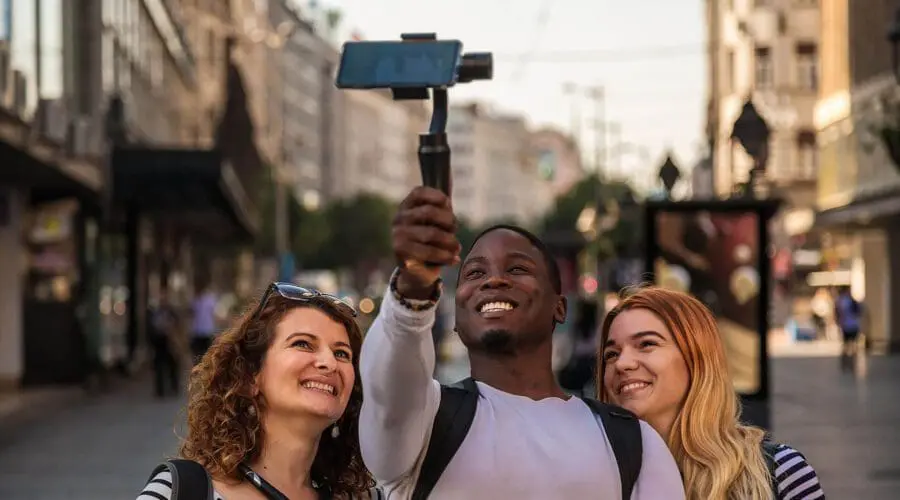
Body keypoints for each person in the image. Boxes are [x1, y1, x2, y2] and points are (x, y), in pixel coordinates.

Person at [359, 186, 684, 499]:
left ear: (559, 307)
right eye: (473, 274)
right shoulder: (424, 422)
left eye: (517, 269)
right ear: (456, 318)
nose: (493, 280)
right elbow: (389, 382)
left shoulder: (634, 444)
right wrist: (413, 282)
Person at [137, 282, 379, 499]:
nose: (329, 362)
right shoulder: (181, 492)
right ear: (251, 376)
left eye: (341, 353)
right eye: (303, 344)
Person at [599, 286, 825, 500]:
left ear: (696, 359)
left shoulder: (781, 472)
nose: (622, 364)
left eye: (646, 344)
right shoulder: (593, 476)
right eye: (611, 354)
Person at [147, 288, 180, 398]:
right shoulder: (155, 313)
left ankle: (174, 387)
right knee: (159, 367)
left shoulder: (172, 312)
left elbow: (178, 326)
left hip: (171, 343)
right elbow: (151, 328)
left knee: (173, 366)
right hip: (159, 343)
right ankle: (160, 390)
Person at [834, 285, 863, 371]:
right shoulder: (849, 301)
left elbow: (837, 314)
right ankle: (850, 364)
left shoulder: (841, 301)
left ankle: (846, 364)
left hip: (847, 325)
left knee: (847, 346)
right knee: (851, 346)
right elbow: (859, 312)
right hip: (851, 325)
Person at [190, 283, 219, 364]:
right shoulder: (195, 301)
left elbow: (215, 314)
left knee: (207, 355)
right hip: (197, 332)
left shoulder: (209, 300)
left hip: (207, 331)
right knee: (197, 355)